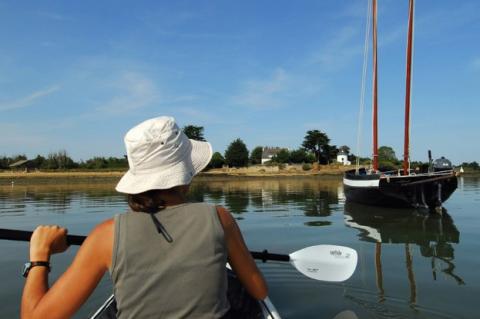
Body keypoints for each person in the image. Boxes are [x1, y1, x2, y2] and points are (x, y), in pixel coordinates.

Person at [21, 116, 268, 319]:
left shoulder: (105, 235)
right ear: (186, 172)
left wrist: (39, 257)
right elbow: (258, 291)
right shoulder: (220, 217)